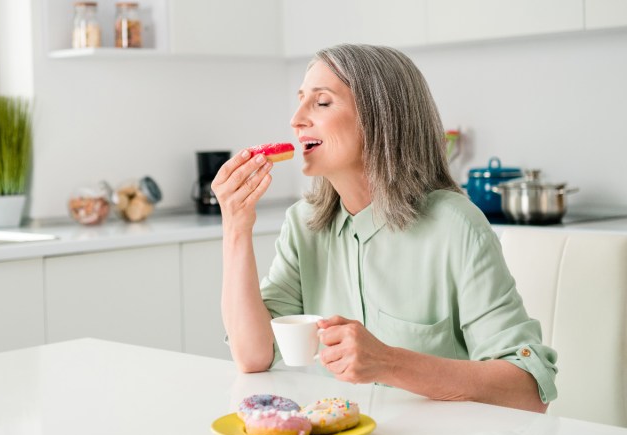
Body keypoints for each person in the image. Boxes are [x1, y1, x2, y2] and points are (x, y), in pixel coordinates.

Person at [212, 44, 557, 413]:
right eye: (299, 101)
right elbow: (253, 356)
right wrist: (235, 227)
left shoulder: (455, 226)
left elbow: (528, 390)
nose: (296, 119)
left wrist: (389, 362)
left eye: (322, 102)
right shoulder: (304, 224)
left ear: (380, 118)